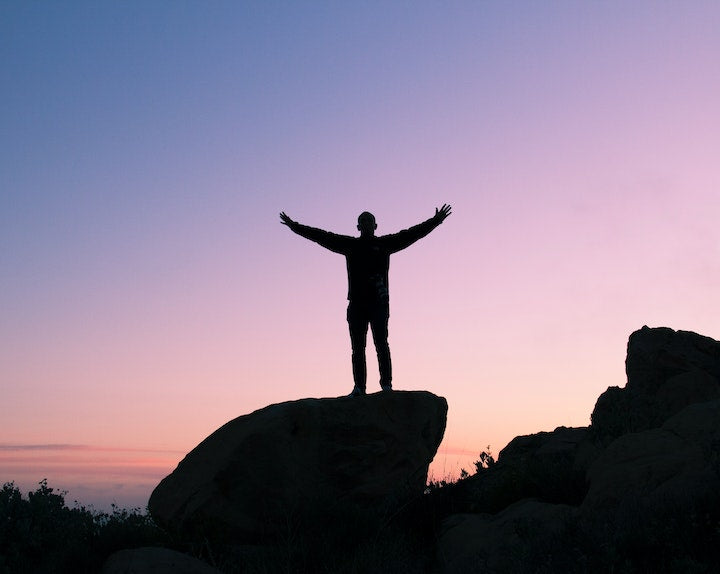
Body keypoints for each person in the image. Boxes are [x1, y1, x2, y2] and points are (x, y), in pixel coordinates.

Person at [280, 204, 452, 396]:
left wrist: (435, 221)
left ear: (376, 226)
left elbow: (411, 234)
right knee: (357, 348)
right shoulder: (351, 246)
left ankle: (386, 385)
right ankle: (359, 388)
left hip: (379, 303)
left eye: (369, 221)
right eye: (363, 221)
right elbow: (322, 236)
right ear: (358, 227)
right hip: (356, 305)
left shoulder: (386, 244)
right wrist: (294, 226)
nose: (366, 224)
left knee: (381, 344)